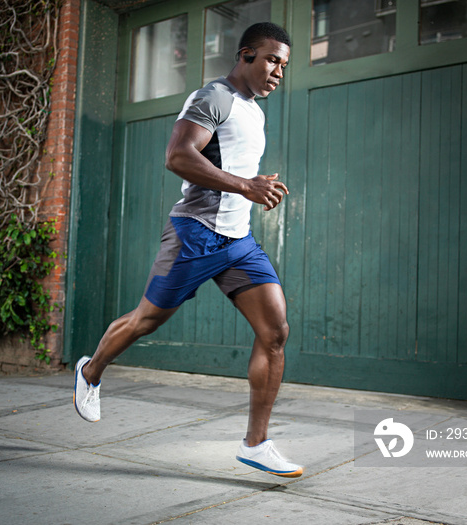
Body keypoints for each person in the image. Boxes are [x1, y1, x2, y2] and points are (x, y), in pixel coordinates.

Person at [73, 22, 302, 478]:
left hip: (238, 241)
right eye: (272, 59)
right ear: (246, 55)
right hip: (195, 233)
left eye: (284, 65)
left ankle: (256, 443)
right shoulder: (212, 97)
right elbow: (178, 155)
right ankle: (90, 371)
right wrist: (245, 185)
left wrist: (250, 189)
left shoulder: (255, 111)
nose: (278, 71)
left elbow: (233, 166)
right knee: (146, 320)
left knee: (275, 331)